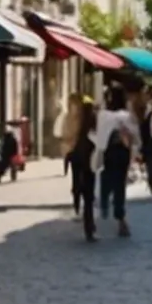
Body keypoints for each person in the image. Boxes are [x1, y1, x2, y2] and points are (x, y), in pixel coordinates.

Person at [91, 87, 141, 239]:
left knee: (107, 176)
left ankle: (105, 201)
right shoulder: (126, 116)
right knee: (120, 183)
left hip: (108, 151)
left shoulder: (103, 115)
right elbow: (136, 136)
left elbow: (100, 136)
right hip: (122, 152)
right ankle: (120, 217)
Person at [61, 96, 99, 237]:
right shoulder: (93, 124)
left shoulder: (76, 121)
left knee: (78, 181)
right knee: (89, 193)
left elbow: (67, 135)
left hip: (76, 155)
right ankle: (89, 225)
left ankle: (78, 199)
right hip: (89, 157)